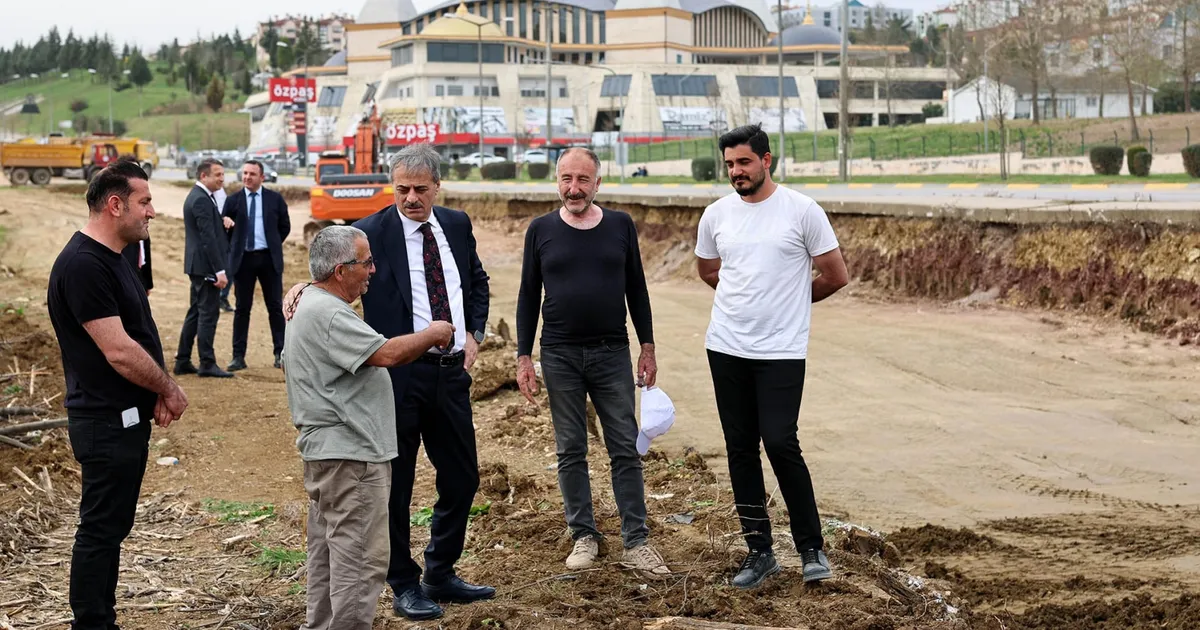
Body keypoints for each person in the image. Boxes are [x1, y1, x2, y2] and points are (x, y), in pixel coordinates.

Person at [284, 144, 493, 622]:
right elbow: (327, 273)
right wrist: (297, 288)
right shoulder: (371, 231)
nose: (411, 198)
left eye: (421, 189)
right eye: (402, 189)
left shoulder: (457, 226)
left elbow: (476, 282)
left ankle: (440, 572)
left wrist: (474, 335)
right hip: (395, 374)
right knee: (393, 486)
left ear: (438, 186)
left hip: (450, 372)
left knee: (463, 477)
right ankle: (403, 581)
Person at [694, 124, 849, 588]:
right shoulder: (716, 214)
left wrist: (791, 303)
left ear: (767, 160)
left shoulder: (802, 211)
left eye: (743, 162)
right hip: (726, 346)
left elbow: (835, 275)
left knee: (781, 441)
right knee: (740, 450)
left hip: (781, 350)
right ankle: (759, 552)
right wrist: (743, 300)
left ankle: (810, 547)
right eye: (729, 165)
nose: (736, 172)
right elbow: (707, 269)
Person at [283, 225, 455, 630]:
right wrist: (433, 333)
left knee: (330, 557)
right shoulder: (327, 312)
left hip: (330, 454)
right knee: (359, 563)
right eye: (366, 262)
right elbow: (388, 354)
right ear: (340, 270)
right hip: (351, 457)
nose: (373, 270)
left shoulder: (309, 300)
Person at [46, 159, 189, 630]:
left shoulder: (115, 258)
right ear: (115, 204)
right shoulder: (84, 265)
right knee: (101, 529)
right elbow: (119, 350)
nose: (151, 212)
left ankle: (101, 619)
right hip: (103, 421)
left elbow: (135, 335)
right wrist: (167, 387)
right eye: (144, 202)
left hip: (122, 418)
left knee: (111, 527)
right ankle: (91, 623)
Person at [515, 147, 669, 578]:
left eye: (583, 180)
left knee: (624, 446)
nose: (574, 188)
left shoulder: (620, 225)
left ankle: (636, 541)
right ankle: (584, 535)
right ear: (557, 181)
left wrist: (648, 346)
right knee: (570, 448)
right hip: (560, 354)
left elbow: (637, 289)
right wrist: (524, 355)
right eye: (566, 179)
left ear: (598, 183)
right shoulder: (540, 229)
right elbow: (528, 295)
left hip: (611, 353)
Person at [223, 159, 291, 370]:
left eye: (252, 174)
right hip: (243, 261)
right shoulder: (233, 200)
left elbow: (284, 226)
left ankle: (280, 353)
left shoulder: (275, 199)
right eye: (244, 173)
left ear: (262, 177)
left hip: (269, 259)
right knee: (242, 308)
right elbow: (225, 227)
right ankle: (238, 356)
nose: (247, 177)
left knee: (275, 308)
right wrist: (227, 227)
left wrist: (271, 243)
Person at [175, 158, 233, 378]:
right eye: (217, 175)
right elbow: (207, 238)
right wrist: (219, 270)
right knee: (208, 314)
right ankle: (207, 363)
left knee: (196, 311)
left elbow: (210, 227)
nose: (222, 179)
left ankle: (182, 360)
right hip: (205, 266)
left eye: (222, 174)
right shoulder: (200, 199)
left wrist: (223, 221)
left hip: (198, 265)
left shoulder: (202, 197)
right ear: (203, 176)